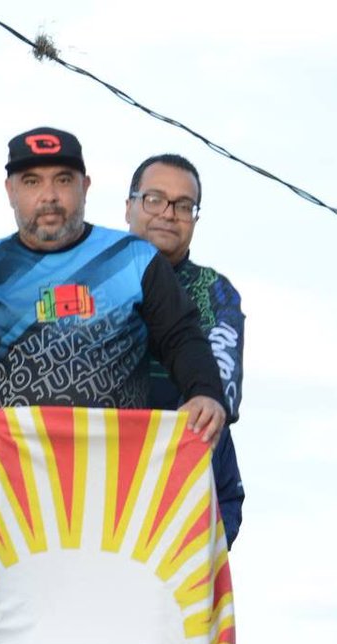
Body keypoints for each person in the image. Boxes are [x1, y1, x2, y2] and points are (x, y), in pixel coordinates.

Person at [0, 126, 226, 449]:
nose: (49, 196)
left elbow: (182, 337)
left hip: (113, 477)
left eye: (63, 180)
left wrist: (205, 393)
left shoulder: (134, 259)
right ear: (10, 191)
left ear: (85, 187)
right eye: (32, 181)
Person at [126, 154, 246, 546]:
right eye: (154, 199)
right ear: (129, 206)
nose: (169, 214)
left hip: (180, 493)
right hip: (82, 481)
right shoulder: (90, 276)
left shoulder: (214, 290)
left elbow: (219, 389)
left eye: (183, 205)